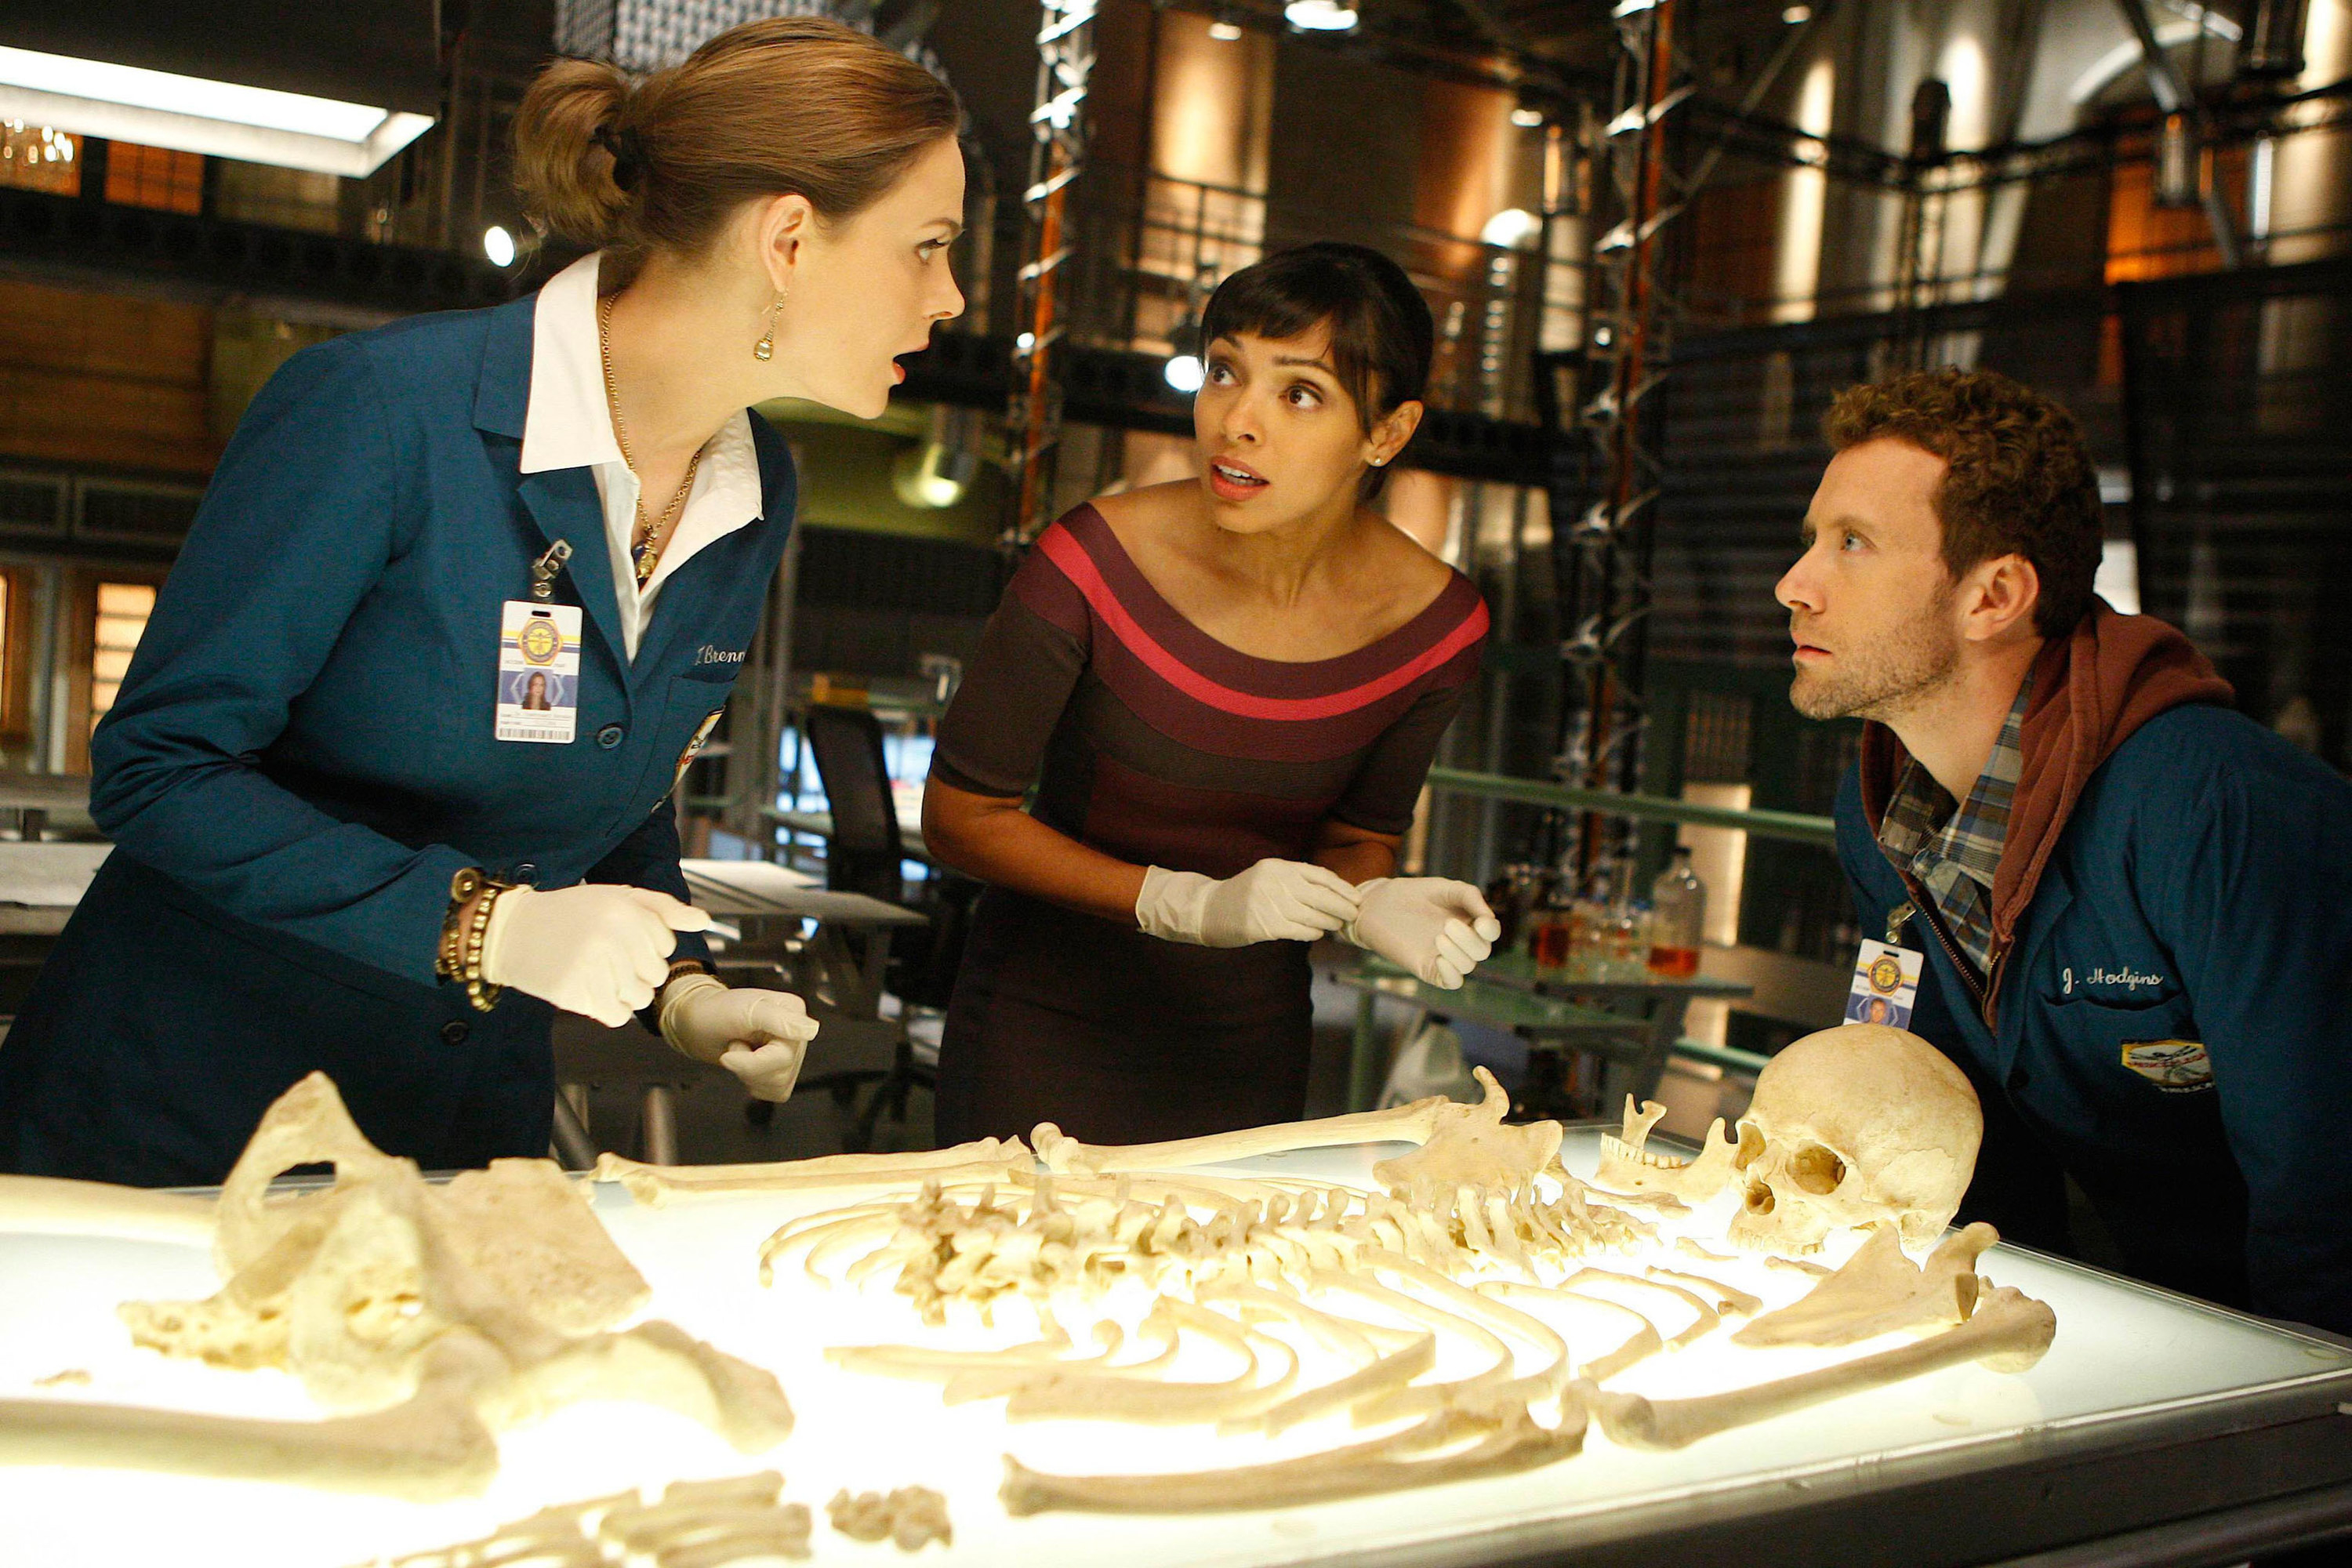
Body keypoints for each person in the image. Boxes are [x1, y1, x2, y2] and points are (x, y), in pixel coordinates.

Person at [0, 19, 967, 1186]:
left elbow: (608, 790)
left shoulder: (756, 485)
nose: (952, 296)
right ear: (790, 238)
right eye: (927, 246)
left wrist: (681, 988)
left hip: (457, 1131)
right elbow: (160, 767)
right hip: (192, 1112)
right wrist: (488, 925)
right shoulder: (381, 414)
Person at [1777, 366, 2352, 1335]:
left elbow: (2327, 1204)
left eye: (1854, 544)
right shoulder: (1879, 816)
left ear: (1994, 593)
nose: (1795, 585)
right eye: (1813, 541)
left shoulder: (2214, 810)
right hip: (2146, 1318)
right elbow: (1955, 1133)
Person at [923, 243, 1501, 1147]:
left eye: (1298, 392)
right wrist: (1181, 901)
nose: (1238, 420)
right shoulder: (1089, 561)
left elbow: (1357, 838)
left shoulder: (1440, 625)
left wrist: (1371, 900)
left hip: (1246, 1050)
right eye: (1225, 371)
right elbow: (961, 816)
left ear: (1386, 433)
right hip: (1040, 1030)